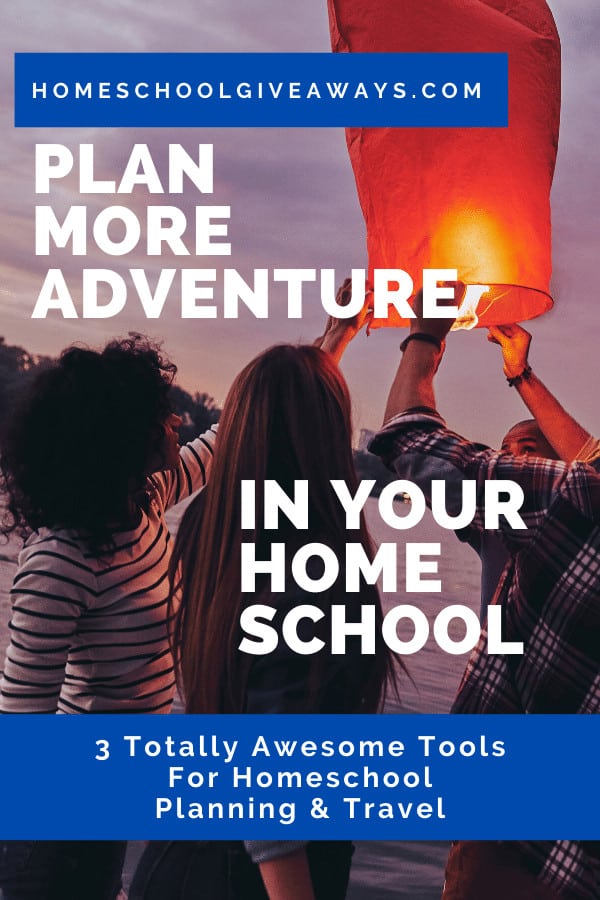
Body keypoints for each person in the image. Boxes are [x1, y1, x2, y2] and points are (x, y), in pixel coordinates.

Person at [130, 325, 398, 900]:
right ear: (329, 430)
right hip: (247, 879)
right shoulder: (310, 556)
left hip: (181, 858)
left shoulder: (213, 518)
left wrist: (334, 342)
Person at [367, 288, 600, 899]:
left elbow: (410, 441)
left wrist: (426, 334)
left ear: (554, 471)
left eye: (528, 453)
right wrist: (521, 374)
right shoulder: (553, 510)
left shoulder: (567, 507)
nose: (510, 457)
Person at [0, 335, 217, 900]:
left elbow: (226, 439)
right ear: (123, 437)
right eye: (158, 413)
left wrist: (331, 339)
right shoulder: (60, 560)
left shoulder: (143, 500)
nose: (175, 419)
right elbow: (23, 733)